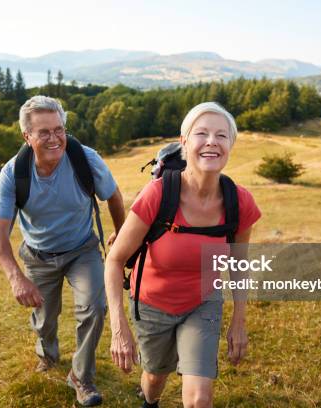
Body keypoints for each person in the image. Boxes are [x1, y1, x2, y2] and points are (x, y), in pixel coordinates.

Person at [104, 102, 261, 408]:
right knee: (154, 379)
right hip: (151, 303)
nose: (212, 141)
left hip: (203, 302)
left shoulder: (239, 201)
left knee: (200, 398)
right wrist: (118, 326)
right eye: (201, 133)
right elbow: (114, 259)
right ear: (184, 143)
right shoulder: (159, 194)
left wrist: (239, 321)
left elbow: (239, 265)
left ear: (231, 145)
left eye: (221, 135)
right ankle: (150, 402)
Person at [0, 95, 125, 407]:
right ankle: (47, 355)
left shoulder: (85, 158)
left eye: (59, 129)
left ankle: (81, 377)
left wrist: (121, 236)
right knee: (45, 319)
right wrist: (16, 278)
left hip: (82, 250)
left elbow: (113, 196)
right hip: (38, 255)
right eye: (44, 132)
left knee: (95, 307)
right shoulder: (14, 173)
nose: (54, 138)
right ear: (27, 136)